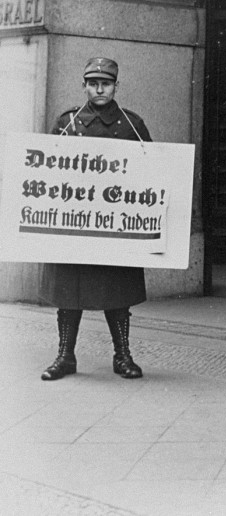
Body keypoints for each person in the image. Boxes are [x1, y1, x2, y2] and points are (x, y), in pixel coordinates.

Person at [39, 57, 153, 381]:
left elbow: (153, 173)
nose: (99, 88)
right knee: (69, 293)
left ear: (117, 86)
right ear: (85, 85)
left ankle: (122, 356)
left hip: (115, 226)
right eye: (93, 83)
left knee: (115, 291)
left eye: (106, 83)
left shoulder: (132, 125)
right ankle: (65, 356)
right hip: (75, 225)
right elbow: (46, 170)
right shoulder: (67, 123)